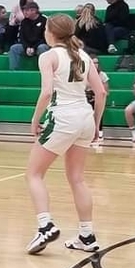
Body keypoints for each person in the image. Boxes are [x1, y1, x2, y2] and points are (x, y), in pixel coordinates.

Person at [25, 13, 107, 255]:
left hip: (62, 117)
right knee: (77, 179)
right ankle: (87, 235)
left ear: (50, 32)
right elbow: (101, 93)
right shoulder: (84, 56)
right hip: (84, 117)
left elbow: (47, 92)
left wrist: (34, 119)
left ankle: (45, 225)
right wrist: (95, 124)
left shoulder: (48, 56)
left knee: (34, 174)